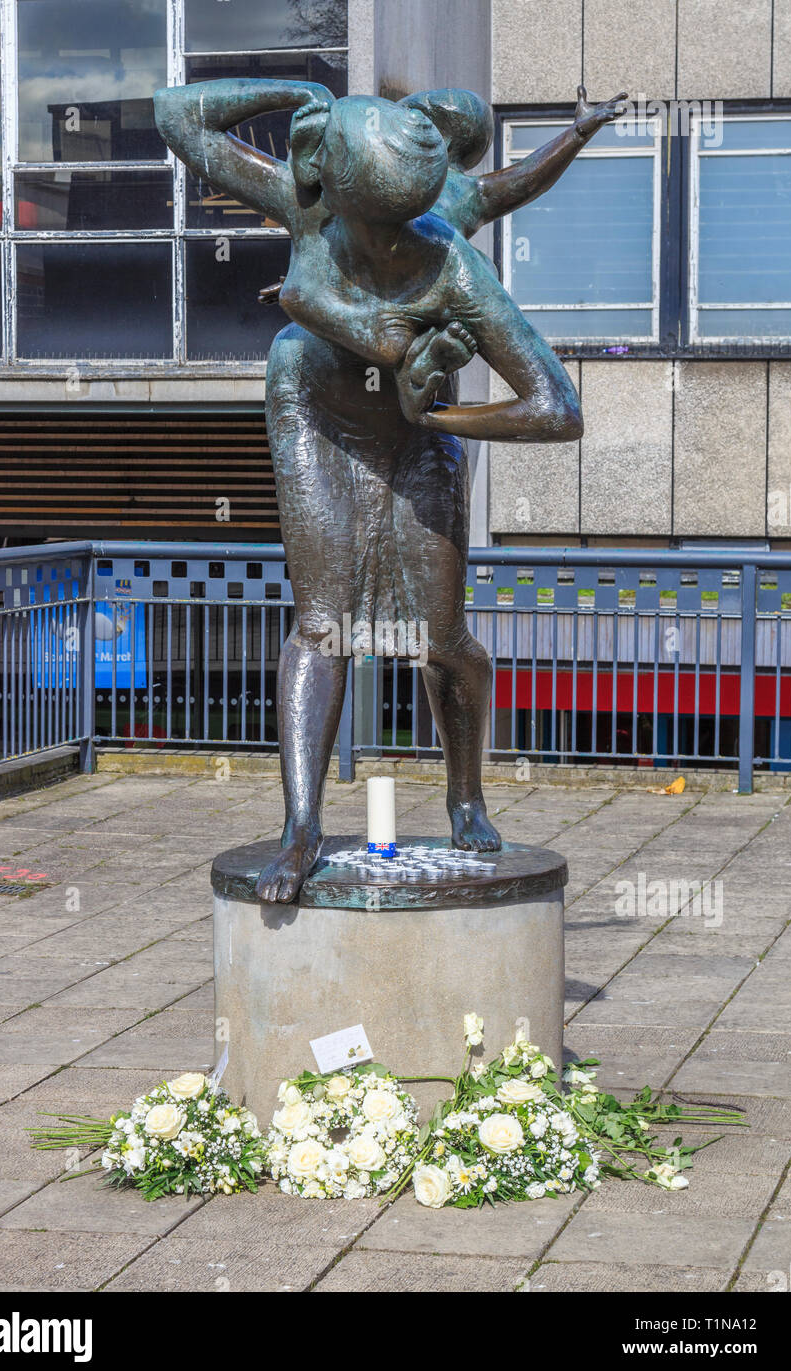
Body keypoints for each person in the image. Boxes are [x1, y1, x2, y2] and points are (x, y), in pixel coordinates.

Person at [154, 81, 618, 902]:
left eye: (389, 226)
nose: (371, 240)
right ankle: (302, 828)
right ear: (324, 177)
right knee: (323, 625)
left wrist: (443, 416)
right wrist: (293, 92)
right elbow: (175, 114)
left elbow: (557, 408)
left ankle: (465, 791)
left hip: (415, 438)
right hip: (316, 416)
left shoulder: (453, 264)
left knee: (441, 637)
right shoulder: (308, 194)